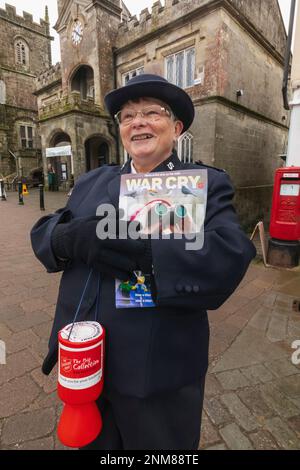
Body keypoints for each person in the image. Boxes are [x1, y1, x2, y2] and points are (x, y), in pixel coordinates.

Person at [31, 74, 256, 450]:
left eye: (152, 112)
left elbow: (230, 253)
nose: (138, 122)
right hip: (87, 365)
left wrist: (150, 255)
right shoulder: (91, 182)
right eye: (127, 116)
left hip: (158, 373)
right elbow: (44, 233)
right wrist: (65, 237)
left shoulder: (204, 183)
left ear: (176, 127)